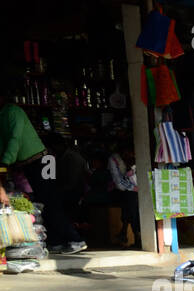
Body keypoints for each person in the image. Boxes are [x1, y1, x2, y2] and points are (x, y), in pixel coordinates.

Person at [0, 89, 86, 253]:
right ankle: (56, 241)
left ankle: (76, 239)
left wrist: (5, 161)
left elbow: (14, 138)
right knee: (43, 202)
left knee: (50, 201)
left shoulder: (14, 111)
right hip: (29, 163)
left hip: (42, 160)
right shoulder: (3, 114)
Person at [107, 141, 139, 247]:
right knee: (131, 202)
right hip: (119, 191)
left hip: (133, 192)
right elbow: (119, 183)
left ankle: (125, 231)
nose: (130, 154)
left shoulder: (135, 159)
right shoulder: (114, 160)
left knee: (132, 203)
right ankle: (134, 234)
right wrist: (134, 188)